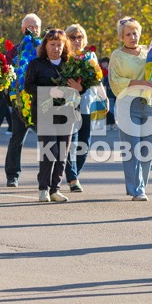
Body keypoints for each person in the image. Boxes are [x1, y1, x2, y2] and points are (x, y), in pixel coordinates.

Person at [110, 16, 152, 201]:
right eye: (128, 34)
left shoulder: (149, 52)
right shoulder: (117, 55)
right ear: (122, 37)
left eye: (135, 33)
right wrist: (138, 82)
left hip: (150, 103)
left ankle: (139, 184)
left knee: (151, 149)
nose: (132, 37)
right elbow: (114, 81)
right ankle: (137, 189)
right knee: (133, 148)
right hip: (128, 104)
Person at [27, 29, 82, 202]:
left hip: (67, 113)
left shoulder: (70, 64)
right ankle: (43, 188)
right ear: (45, 45)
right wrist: (50, 92)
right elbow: (28, 87)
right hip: (44, 113)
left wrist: (80, 89)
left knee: (62, 154)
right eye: (52, 44)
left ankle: (55, 189)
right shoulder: (36, 64)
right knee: (50, 150)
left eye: (59, 45)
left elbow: (82, 87)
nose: (56, 48)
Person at [3, 13, 42, 187]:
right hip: (20, 102)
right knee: (17, 138)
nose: (33, 30)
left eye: (36, 27)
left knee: (48, 139)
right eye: (30, 27)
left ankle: (48, 176)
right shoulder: (15, 50)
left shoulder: (44, 48)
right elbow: (6, 73)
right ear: (22, 29)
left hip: (41, 101)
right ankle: (12, 175)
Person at [64, 23, 97, 192]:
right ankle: (72, 178)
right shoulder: (64, 58)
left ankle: (74, 173)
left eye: (79, 37)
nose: (77, 41)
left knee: (85, 143)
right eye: (72, 37)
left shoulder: (90, 56)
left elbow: (96, 79)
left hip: (86, 105)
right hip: (68, 107)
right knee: (71, 142)